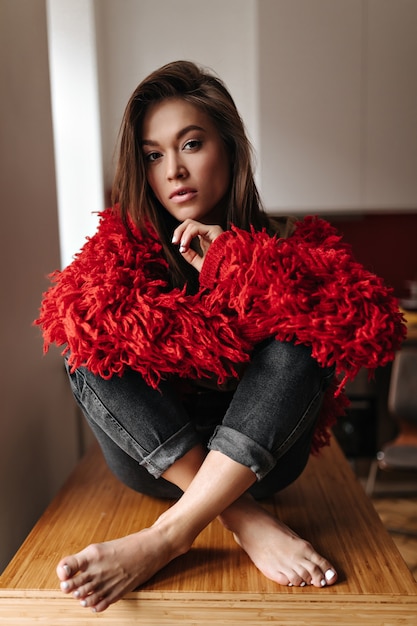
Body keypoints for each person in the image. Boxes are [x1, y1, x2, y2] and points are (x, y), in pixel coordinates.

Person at [36, 60, 405, 613]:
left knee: (306, 335)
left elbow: (367, 322)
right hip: (157, 462)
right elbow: (76, 324)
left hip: (265, 461)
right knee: (85, 340)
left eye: (190, 144)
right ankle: (240, 519)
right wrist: (246, 515)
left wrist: (237, 263)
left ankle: (167, 536)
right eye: (154, 154)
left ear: (229, 149)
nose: (173, 171)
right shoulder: (122, 248)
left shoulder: (289, 239)